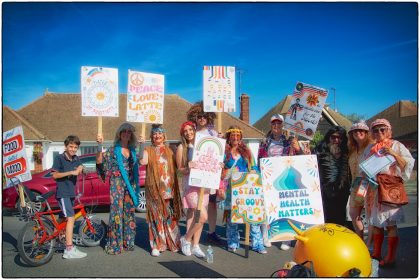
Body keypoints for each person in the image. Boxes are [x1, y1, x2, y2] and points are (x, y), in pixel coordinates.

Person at [368, 119, 414, 267]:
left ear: (389, 130)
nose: (379, 132)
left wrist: (393, 153)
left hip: (390, 189)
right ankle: (376, 252)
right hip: (375, 189)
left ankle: (391, 257)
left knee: (390, 225)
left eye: (383, 129)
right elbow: (365, 170)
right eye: (375, 130)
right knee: (376, 224)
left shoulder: (397, 145)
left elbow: (407, 164)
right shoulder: (370, 148)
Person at [257, 114, 306, 251]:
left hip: (285, 179)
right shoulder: (265, 142)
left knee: (285, 208)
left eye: (279, 124)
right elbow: (259, 160)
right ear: (271, 125)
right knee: (267, 208)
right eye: (274, 124)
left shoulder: (288, 142)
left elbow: (299, 159)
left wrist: (297, 148)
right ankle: (266, 235)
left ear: (283, 125)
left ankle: (287, 238)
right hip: (268, 179)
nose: (276, 126)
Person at [220, 125, 266, 254]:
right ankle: (233, 241)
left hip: (246, 188)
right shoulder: (224, 152)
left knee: (252, 216)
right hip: (230, 189)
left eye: (237, 135)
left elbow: (254, 167)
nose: (235, 137)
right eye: (232, 135)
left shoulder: (247, 151)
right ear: (228, 137)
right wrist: (223, 177)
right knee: (232, 217)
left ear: (240, 137)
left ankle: (257, 243)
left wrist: (253, 171)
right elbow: (220, 171)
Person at [96, 123, 141, 255]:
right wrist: (99, 146)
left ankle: (128, 241)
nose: (126, 133)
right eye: (124, 131)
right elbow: (100, 163)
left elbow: (141, 163)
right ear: (119, 134)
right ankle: (115, 244)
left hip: (130, 185)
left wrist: (143, 144)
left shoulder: (133, 151)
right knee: (116, 213)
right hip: (117, 184)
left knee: (129, 213)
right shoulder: (112, 150)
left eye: (129, 132)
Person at [140, 124, 183, 257]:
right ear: (151, 137)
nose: (157, 136)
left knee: (170, 217)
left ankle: (173, 243)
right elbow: (142, 162)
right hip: (153, 189)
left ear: (164, 136)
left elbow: (180, 164)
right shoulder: (148, 149)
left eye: (160, 134)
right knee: (156, 217)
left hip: (169, 189)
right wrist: (141, 145)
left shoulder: (171, 149)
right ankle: (157, 245)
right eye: (154, 134)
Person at [187, 101, 223, 245]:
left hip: (210, 174)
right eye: (199, 116)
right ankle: (190, 236)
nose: (202, 118)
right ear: (195, 117)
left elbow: (218, 152)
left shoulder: (213, 132)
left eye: (204, 116)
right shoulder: (192, 133)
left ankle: (210, 232)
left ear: (208, 117)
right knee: (194, 208)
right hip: (196, 174)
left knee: (210, 205)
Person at [176, 121, 209, 258]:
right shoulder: (182, 148)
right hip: (190, 185)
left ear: (195, 130)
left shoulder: (204, 145)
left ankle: (195, 245)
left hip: (204, 185)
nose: (188, 133)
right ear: (183, 134)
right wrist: (188, 167)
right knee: (203, 216)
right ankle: (186, 238)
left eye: (191, 130)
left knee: (194, 214)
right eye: (186, 131)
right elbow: (179, 169)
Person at [52, 135, 87, 259]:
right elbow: (55, 175)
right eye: (71, 146)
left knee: (63, 219)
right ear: (66, 146)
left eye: (75, 147)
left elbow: (81, 166)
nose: (73, 149)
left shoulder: (76, 158)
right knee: (71, 218)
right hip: (63, 193)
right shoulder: (59, 158)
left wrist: (81, 167)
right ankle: (69, 249)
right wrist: (71, 172)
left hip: (71, 193)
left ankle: (55, 239)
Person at [315, 126, 350, 227]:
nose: (336, 140)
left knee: (341, 220)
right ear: (328, 138)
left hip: (343, 192)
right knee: (327, 220)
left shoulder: (347, 152)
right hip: (325, 192)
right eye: (333, 137)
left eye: (339, 138)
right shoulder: (320, 151)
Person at [347, 121, 373, 243]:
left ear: (366, 133)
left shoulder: (372, 147)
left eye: (361, 130)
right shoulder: (352, 149)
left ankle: (369, 244)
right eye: (355, 131)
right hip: (356, 185)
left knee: (370, 215)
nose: (358, 133)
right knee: (353, 214)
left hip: (368, 184)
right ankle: (360, 241)